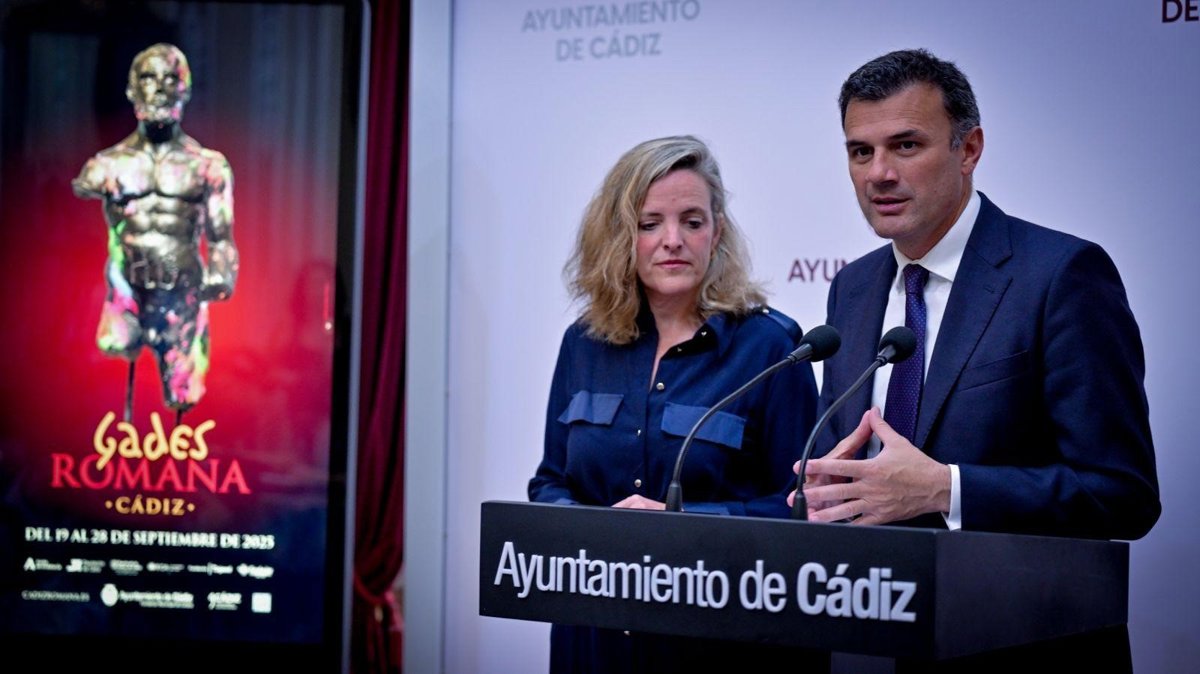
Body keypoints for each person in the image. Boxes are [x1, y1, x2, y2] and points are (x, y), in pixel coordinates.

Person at [791, 48, 1160, 671]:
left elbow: (1123, 494)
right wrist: (826, 492)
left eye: (906, 145)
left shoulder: (1061, 275)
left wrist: (946, 488)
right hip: (872, 639)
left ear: (969, 149)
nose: (879, 173)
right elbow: (855, 471)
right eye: (860, 151)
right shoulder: (851, 289)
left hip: (1021, 643)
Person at [529, 135, 827, 672]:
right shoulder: (583, 343)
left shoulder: (771, 348)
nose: (673, 240)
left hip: (717, 640)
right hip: (594, 636)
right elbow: (550, 481)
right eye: (650, 224)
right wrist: (589, 530)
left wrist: (681, 520)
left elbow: (802, 504)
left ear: (717, 232)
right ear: (620, 235)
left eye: (692, 221)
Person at [72, 43, 238, 421]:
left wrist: (223, 274)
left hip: (183, 301)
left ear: (185, 89)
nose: (160, 87)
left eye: (170, 78)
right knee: (103, 392)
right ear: (132, 89)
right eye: (149, 77)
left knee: (184, 400)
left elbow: (221, 237)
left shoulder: (208, 167)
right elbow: (73, 233)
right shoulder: (105, 166)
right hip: (125, 297)